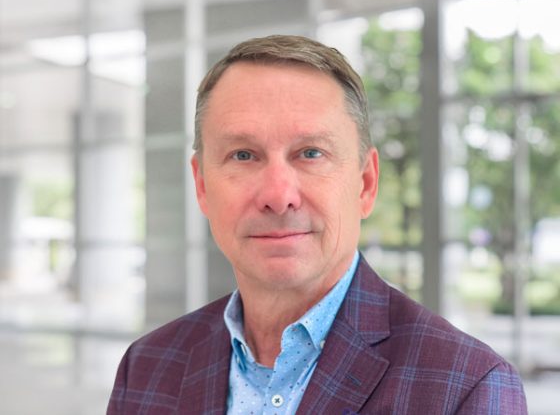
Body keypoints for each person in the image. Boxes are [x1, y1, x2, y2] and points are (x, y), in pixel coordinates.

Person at [107, 35, 527, 414]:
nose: (278, 194)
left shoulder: (468, 388)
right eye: (243, 155)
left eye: (310, 153)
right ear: (201, 185)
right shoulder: (146, 367)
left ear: (365, 183)